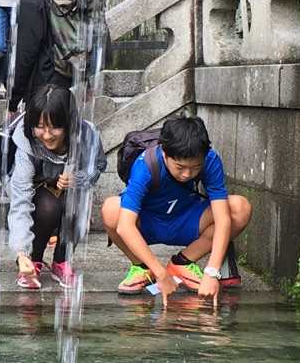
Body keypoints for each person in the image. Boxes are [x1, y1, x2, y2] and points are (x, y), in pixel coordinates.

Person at [101, 117, 252, 306]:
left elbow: (223, 219)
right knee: (111, 209)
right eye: (180, 167)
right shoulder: (145, 165)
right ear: (165, 153)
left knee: (239, 208)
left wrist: (211, 272)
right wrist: (160, 272)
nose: (188, 174)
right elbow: (125, 226)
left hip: (187, 218)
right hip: (149, 223)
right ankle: (142, 267)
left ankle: (182, 263)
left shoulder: (210, 159)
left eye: (195, 167)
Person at [8, 85, 105, 290]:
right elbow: (20, 200)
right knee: (47, 205)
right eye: (40, 126)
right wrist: (21, 253)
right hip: (39, 195)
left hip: (71, 193)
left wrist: (79, 178)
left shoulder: (86, 135)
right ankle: (33, 259)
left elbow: (97, 166)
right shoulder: (26, 142)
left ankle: (62, 260)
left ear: (69, 124)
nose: (47, 135)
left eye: (55, 127)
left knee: (77, 204)